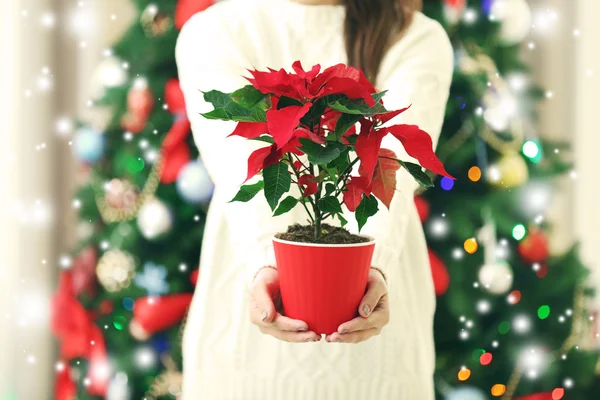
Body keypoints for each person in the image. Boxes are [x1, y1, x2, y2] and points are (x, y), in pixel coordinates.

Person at [175, 0, 453, 398]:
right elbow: (240, 163)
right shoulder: (216, 30)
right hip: (248, 334)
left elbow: (390, 164)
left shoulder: (414, 35)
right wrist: (269, 266)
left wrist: (368, 271)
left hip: (376, 334)